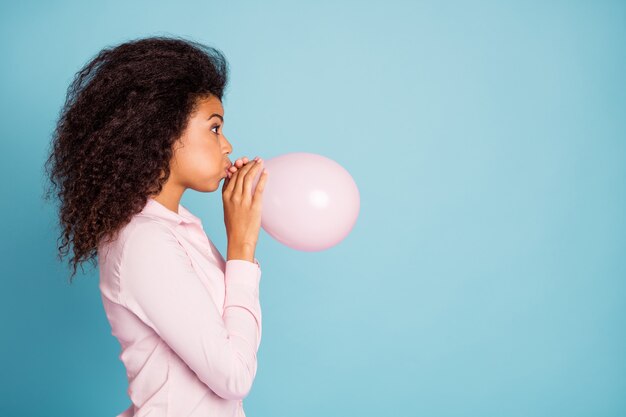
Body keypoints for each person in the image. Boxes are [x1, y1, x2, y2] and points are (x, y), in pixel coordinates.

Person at [43, 36, 269, 417]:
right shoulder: (143, 240)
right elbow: (234, 378)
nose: (227, 144)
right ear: (162, 131)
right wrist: (242, 248)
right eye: (214, 128)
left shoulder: (177, 228)